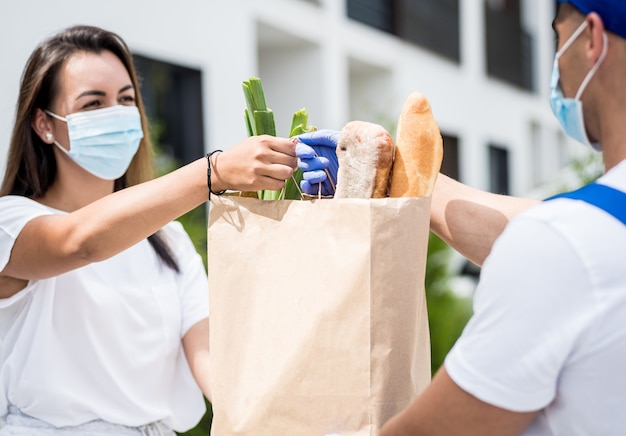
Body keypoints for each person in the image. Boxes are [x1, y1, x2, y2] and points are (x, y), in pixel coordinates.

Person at [298, 0, 626, 433]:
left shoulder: (565, 246)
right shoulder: (587, 231)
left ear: (592, 41)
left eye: (558, 33)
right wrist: (398, 177)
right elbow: (542, 232)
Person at [0, 25, 297, 435]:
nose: (117, 113)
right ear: (43, 124)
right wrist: (215, 171)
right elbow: (78, 243)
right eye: (93, 103)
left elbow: (209, 359)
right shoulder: (10, 222)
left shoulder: (168, 240)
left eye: (126, 99)